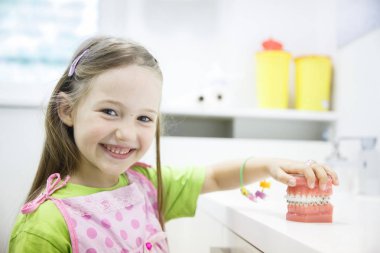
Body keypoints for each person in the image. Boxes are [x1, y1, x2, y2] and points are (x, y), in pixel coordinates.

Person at [8, 36, 339, 253]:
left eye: (144, 118)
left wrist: (269, 165)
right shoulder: (45, 225)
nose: (126, 133)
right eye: (110, 112)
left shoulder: (145, 186)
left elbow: (213, 177)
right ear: (67, 110)